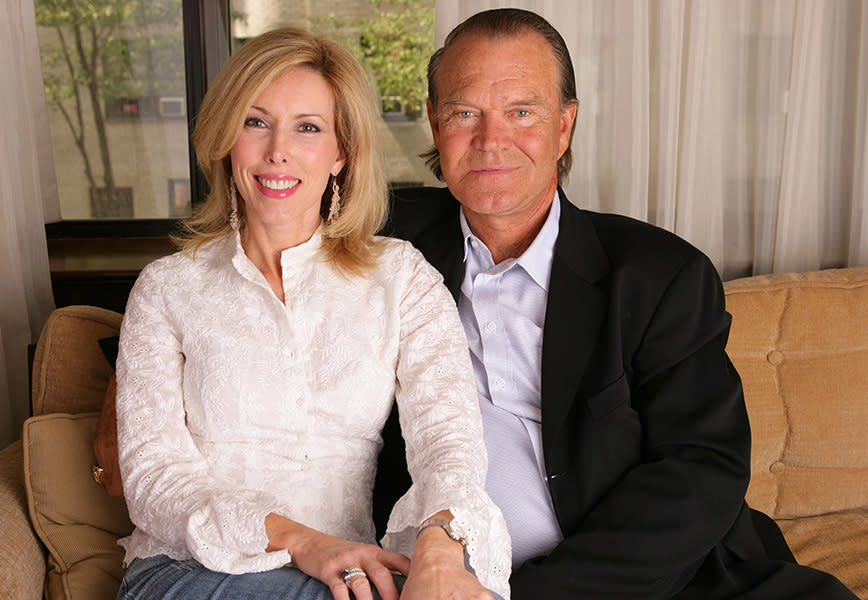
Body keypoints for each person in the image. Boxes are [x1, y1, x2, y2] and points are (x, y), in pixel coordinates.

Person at [381, 8, 859, 600]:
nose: (490, 139)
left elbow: (701, 468)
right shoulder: (383, 244)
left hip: (657, 580)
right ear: (434, 123)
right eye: (464, 113)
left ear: (565, 126)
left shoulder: (660, 275)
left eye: (522, 111)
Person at [114, 28, 510, 600]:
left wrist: (443, 552)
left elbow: (448, 442)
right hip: (187, 569)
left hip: (346, 574)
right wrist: (300, 541)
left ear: (340, 152)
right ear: (228, 138)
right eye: (255, 122)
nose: (278, 150)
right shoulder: (167, 288)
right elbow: (154, 479)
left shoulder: (402, 279)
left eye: (308, 128)